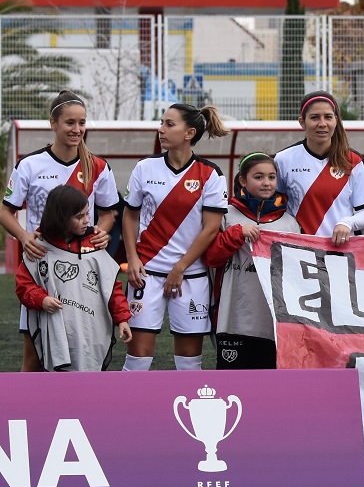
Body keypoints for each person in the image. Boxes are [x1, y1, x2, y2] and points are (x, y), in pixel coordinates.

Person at [1, 91, 119, 372]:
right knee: (34, 353)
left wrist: (101, 232)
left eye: (82, 123)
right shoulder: (29, 164)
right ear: (53, 123)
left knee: (85, 347)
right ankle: (27, 415)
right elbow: (5, 211)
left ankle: (79, 412)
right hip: (41, 267)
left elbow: (108, 213)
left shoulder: (98, 166)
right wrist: (24, 236)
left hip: (82, 271)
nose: (77, 129)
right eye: (69, 122)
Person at [122, 103, 230, 371]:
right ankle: (127, 412)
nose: (161, 129)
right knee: (137, 361)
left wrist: (180, 268)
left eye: (169, 124)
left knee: (189, 365)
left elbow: (211, 228)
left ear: (189, 133)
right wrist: (132, 258)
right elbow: (130, 215)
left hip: (191, 276)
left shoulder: (211, 174)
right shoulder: (145, 167)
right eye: (162, 123)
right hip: (146, 274)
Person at [14, 185, 131, 371]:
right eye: (79, 217)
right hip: (55, 330)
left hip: (89, 329)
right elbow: (23, 285)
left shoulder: (94, 244)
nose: (87, 220)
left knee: (89, 372)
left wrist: (122, 318)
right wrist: (41, 299)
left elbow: (112, 287)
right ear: (61, 218)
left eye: (87, 214)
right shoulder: (39, 247)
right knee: (48, 373)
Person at [202, 152, 299, 370]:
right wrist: (236, 234)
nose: (266, 183)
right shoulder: (226, 215)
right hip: (232, 318)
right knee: (233, 385)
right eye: (258, 177)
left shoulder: (290, 223)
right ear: (242, 180)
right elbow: (211, 258)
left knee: (269, 388)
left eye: (271, 177)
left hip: (273, 323)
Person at [275, 92, 364, 238]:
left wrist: (347, 223)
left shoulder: (353, 161)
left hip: (341, 253)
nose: (322, 123)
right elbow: (277, 208)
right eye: (315, 117)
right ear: (302, 122)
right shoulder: (283, 159)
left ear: (335, 120)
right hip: (299, 251)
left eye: (328, 117)